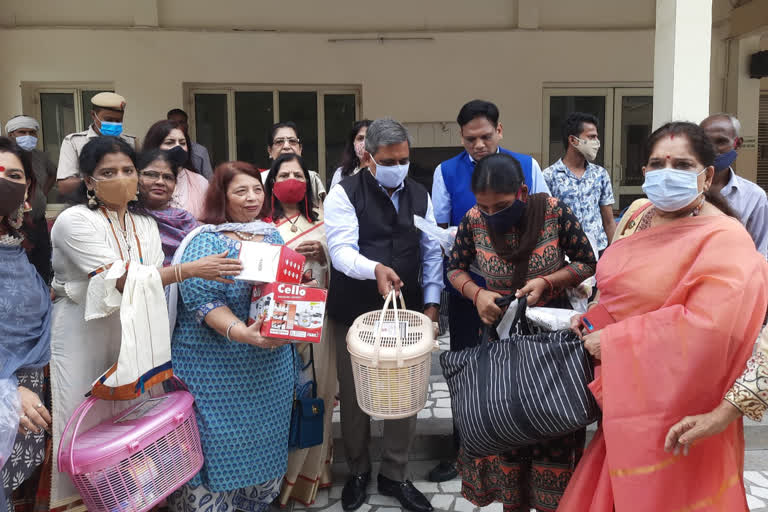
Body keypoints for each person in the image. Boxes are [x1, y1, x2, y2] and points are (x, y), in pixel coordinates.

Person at [559, 122, 768, 511]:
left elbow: (709, 327)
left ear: (707, 175)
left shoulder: (726, 237)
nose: (666, 172)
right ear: (644, 173)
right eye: (657, 163)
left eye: (682, 164)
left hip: (689, 412)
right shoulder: (638, 215)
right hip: (626, 401)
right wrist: (592, 317)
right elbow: (617, 290)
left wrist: (616, 342)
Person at [48, 137, 242, 510]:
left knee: (131, 420)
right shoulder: (74, 221)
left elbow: (150, 280)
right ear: (88, 180)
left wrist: (174, 273)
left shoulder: (143, 223)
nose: (120, 178)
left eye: (127, 170)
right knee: (82, 419)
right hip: (82, 331)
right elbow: (121, 277)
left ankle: (134, 500)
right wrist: (188, 270)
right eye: (108, 172)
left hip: (133, 329)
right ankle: (83, 501)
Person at [446, 152, 597, 511]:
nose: (491, 214)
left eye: (501, 205)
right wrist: (477, 293)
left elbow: (586, 261)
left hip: (552, 347)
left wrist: (548, 280)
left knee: (554, 427)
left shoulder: (555, 211)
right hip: (503, 342)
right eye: (484, 206)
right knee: (506, 429)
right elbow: (455, 268)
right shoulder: (473, 221)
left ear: (523, 193)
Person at [428, 99, 551, 482]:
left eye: (484, 136)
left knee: (519, 370)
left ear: (499, 131)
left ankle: (518, 450)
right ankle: (466, 451)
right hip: (471, 293)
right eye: (469, 140)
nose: (477, 145)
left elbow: (546, 217)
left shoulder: (527, 165)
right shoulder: (446, 172)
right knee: (469, 371)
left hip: (523, 291)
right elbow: (439, 233)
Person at [324, 118, 442, 512]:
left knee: (404, 393)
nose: (398, 166)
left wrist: (431, 303)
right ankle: (358, 470)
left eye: (404, 159)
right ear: (368, 157)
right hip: (354, 310)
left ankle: (395, 474)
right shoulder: (344, 194)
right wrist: (373, 268)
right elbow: (340, 252)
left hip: (404, 315)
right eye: (390, 160)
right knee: (356, 396)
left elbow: (430, 251)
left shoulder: (420, 194)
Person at [166, 161, 293, 512]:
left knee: (264, 441)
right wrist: (242, 333)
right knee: (213, 442)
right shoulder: (204, 239)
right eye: (240, 191)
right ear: (222, 196)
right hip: (214, 368)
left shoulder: (271, 234)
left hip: (267, 366)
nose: (252, 197)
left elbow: (277, 287)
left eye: (256, 189)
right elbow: (202, 300)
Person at [264, 154, 335, 507]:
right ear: (271, 183)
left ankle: (311, 475)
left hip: (316, 326)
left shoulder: (323, 224)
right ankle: (271, 481)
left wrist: (324, 256)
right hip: (274, 329)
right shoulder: (258, 224)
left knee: (315, 393)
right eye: (284, 174)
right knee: (278, 400)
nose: (291, 180)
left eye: (298, 174)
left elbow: (338, 273)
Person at [0, 137, 52, 512]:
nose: (4, 182)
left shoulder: (17, 248)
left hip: (25, 400)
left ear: (28, 192)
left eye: (13, 175)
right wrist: (7, 393)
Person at [543, 112, 616, 255]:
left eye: (596, 136)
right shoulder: (549, 176)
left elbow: (608, 220)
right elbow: (546, 222)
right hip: (566, 253)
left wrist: (614, 253)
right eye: (591, 137)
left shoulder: (600, 174)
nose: (596, 142)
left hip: (599, 251)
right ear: (573, 140)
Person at [700, 113, 768, 256]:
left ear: (738, 144)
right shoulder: (684, 188)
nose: (712, 148)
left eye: (720, 141)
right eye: (705, 142)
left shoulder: (754, 196)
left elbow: (762, 251)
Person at [5, 115, 57, 282]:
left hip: (38, 219)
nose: (28, 136)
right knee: (18, 266)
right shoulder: (5, 158)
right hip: (12, 223)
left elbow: (53, 173)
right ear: (11, 135)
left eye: (32, 133)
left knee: (42, 262)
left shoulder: (40, 157)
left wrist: (42, 191)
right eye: (22, 132)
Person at [55, 92, 136, 199]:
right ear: (93, 115)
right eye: (108, 120)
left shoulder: (130, 142)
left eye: (118, 121)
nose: (114, 124)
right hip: (87, 205)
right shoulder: (74, 142)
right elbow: (64, 186)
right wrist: (104, 182)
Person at [136, 149, 199, 265]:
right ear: (136, 176)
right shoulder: (128, 216)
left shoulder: (184, 219)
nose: (160, 182)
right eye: (151, 175)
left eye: (168, 177)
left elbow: (200, 258)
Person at [143, 120, 209, 220]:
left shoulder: (200, 182)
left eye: (182, 143)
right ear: (154, 147)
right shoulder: (140, 180)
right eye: (170, 142)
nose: (178, 147)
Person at [263, 122, 326, 205]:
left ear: (300, 149)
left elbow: (320, 212)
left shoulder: (312, 178)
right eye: (279, 142)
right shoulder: (260, 180)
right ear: (270, 150)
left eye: (292, 141)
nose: (286, 146)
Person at [167, 108, 214, 181]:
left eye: (181, 122)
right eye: (173, 123)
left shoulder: (200, 151)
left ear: (187, 125)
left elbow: (209, 180)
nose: (177, 126)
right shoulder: (160, 149)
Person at [330, 120, 371, 189]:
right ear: (353, 143)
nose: (364, 143)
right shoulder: (341, 174)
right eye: (360, 138)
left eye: (369, 138)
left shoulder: (382, 172)